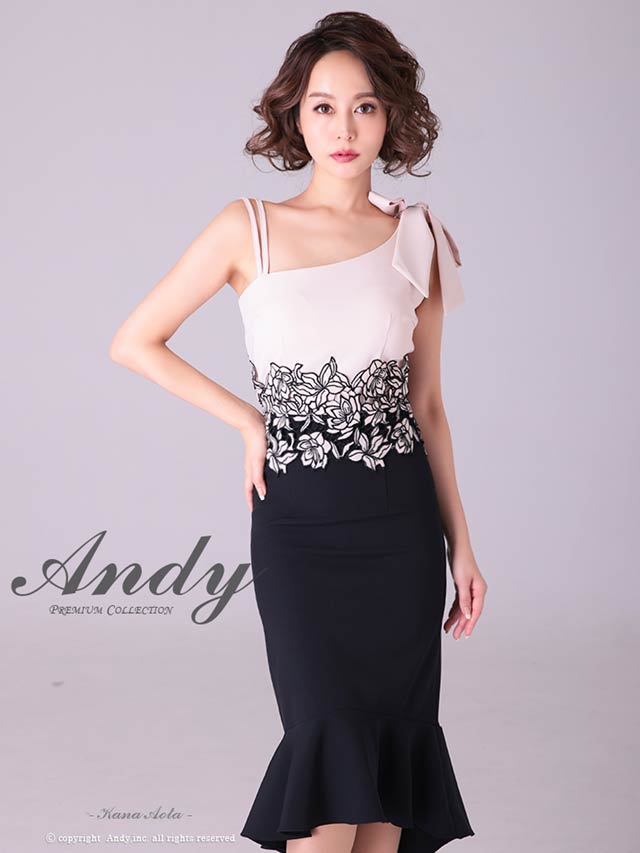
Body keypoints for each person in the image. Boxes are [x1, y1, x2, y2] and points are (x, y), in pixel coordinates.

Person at [110, 10, 487, 853]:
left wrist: (462, 545)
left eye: (364, 106)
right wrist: (247, 418)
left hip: (400, 529)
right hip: (301, 527)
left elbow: (428, 405)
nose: (343, 128)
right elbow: (134, 341)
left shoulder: (418, 238)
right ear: (296, 116)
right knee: (327, 752)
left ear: (391, 116)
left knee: (389, 777)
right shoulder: (245, 225)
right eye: (323, 107)